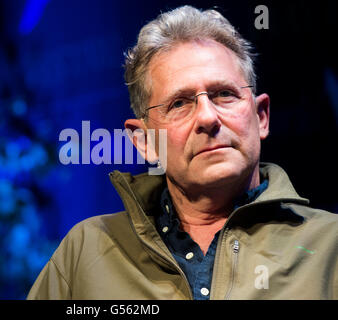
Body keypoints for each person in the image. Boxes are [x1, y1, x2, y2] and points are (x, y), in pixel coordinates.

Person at [27, 5, 337, 300]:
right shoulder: (86, 253)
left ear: (261, 117)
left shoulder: (329, 246)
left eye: (224, 94)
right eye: (179, 103)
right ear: (145, 142)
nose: (207, 118)